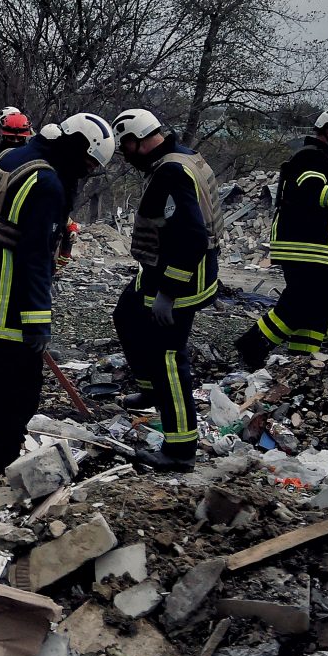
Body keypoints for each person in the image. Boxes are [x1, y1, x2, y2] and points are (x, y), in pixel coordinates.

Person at [0, 114, 107, 473]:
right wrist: (37, 321)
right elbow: (34, 256)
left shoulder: (9, 158)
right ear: (79, 146)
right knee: (11, 384)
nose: (85, 172)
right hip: (7, 302)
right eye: (89, 163)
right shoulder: (46, 183)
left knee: (4, 379)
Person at [110, 109, 219, 471]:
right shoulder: (182, 156)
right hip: (163, 269)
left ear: (137, 140)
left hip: (181, 276)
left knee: (168, 358)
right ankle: (151, 388)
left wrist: (168, 293)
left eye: (125, 146)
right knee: (126, 313)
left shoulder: (170, 172)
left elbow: (191, 237)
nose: (124, 155)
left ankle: (180, 449)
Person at [236, 107, 328, 368]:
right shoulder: (312, 159)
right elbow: (312, 192)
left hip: (314, 245)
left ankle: (302, 360)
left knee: (316, 310)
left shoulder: (321, 160)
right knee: (299, 304)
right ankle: (252, 345)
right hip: (303, 243)